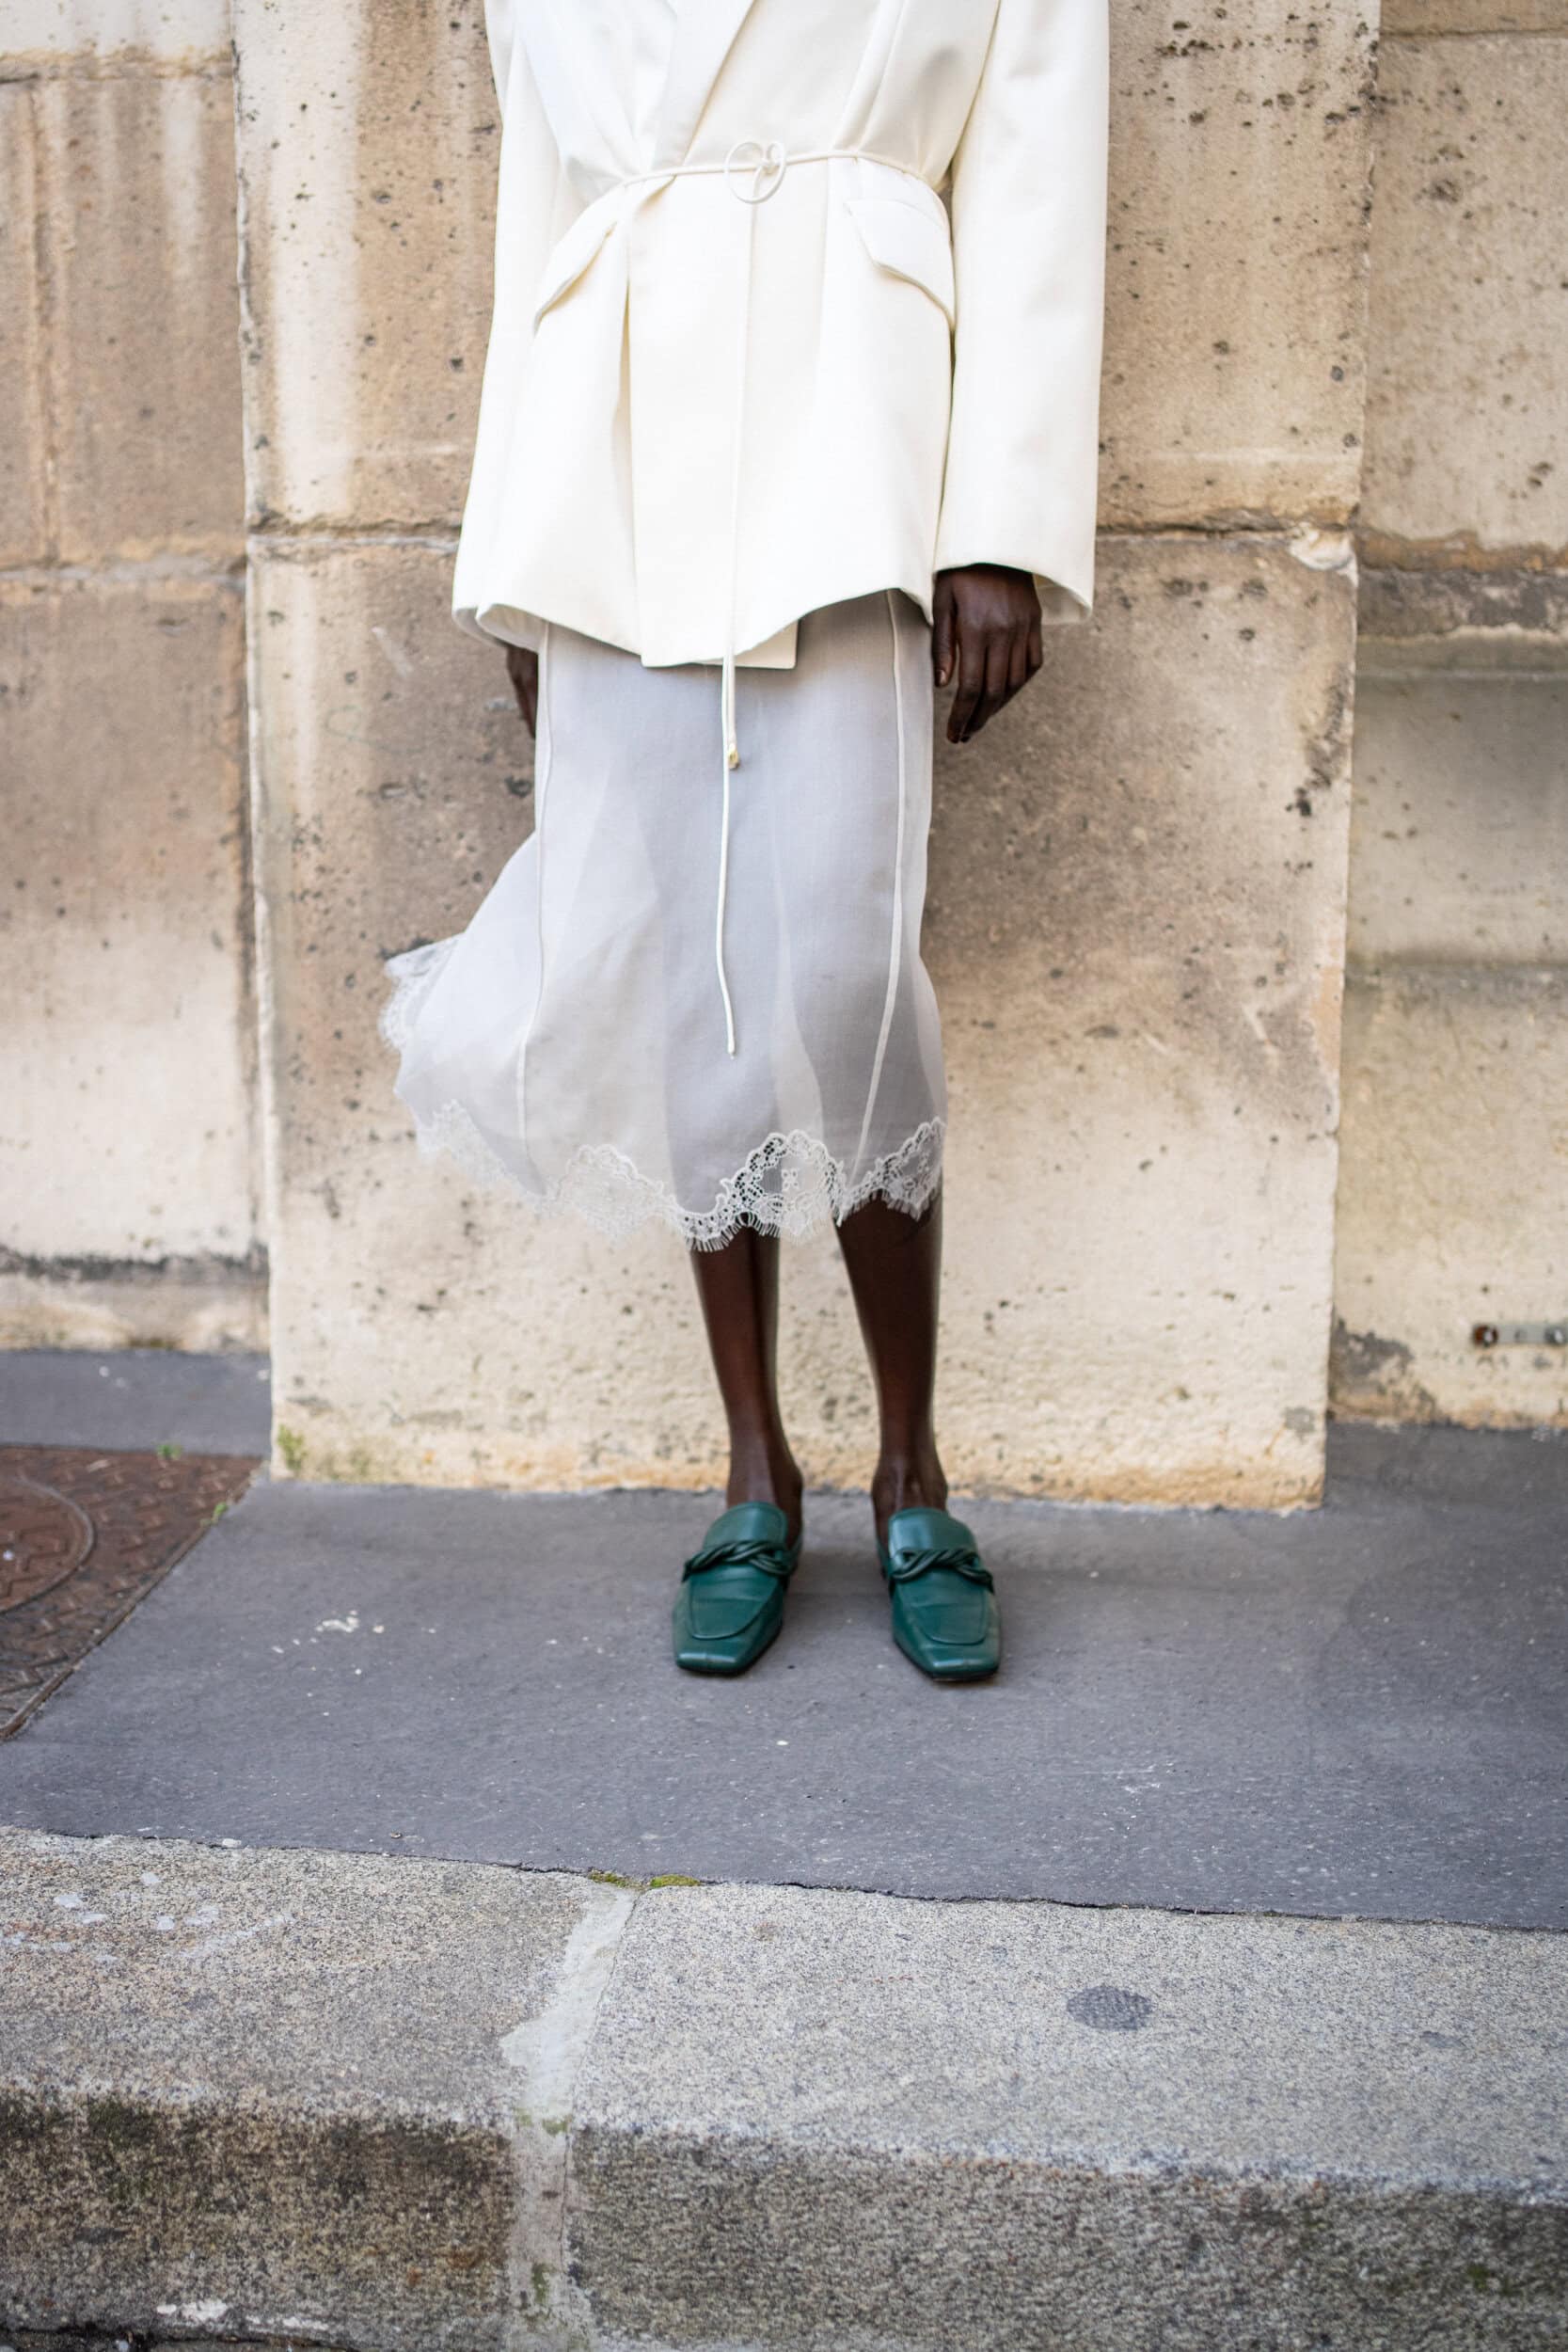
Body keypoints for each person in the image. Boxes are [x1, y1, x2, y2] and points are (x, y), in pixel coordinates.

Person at [383, 0, 1108, 1681]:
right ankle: (754, 1470)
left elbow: (1034, 183)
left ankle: (913, 1468)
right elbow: (542, 214)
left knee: (850, 971)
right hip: (617, 469)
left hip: (858, 443)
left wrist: (997, 524)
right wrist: (520, 553)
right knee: (692, 989)